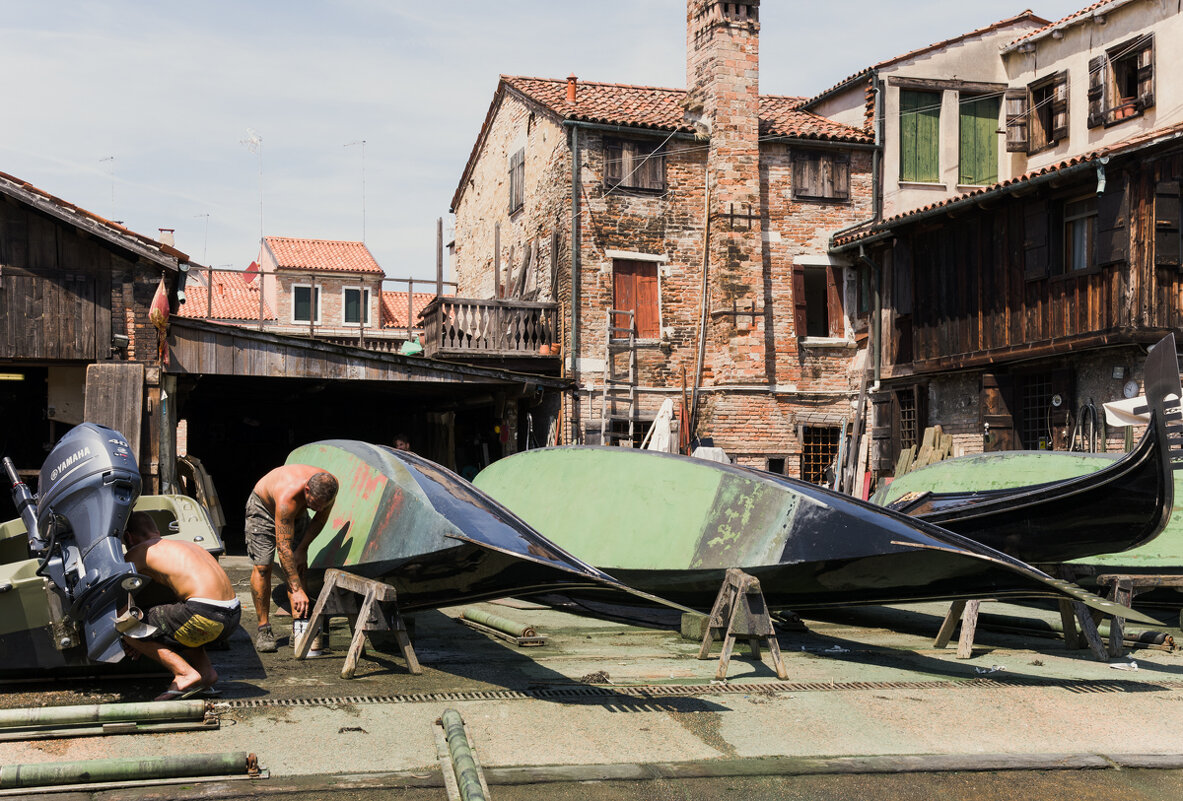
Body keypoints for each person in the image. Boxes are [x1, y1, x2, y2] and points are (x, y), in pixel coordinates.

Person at [120, 511, 241, 700]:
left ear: (128, 537)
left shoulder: (140, 550)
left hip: (204, 616)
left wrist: (135, 637)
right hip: (231, 616)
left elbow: (113, 587)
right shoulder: (185, 545)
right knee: (174, 621)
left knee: (126, 623)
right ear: (156, 531)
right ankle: (206, 673)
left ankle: (184, 674)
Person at [245, 465, 338, 652]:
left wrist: (303, 548)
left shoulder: (329, 487)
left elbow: (319, 519)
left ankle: (299, 627)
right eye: (316, 503)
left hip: (296, 510)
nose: (318, 509)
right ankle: (264, 629)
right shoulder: (288, 495)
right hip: (264, 509)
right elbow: (283, 547)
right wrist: (296, 590)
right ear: (307, 490)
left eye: (322, 505)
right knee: (263, 567)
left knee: (299, 564)